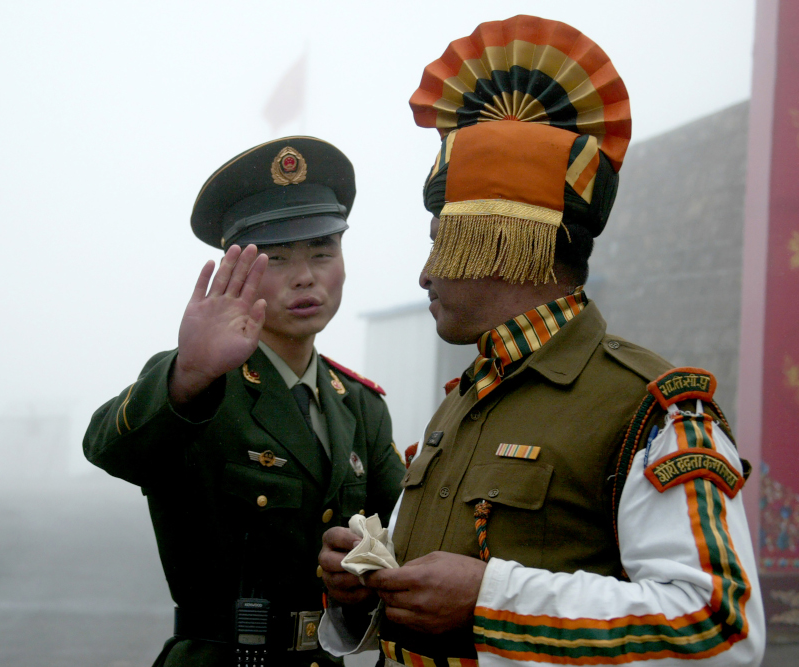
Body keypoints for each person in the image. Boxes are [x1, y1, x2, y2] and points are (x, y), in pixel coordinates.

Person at [318, 15, 765, 667]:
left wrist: (493, 600)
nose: (424, 273)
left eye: (440, 238)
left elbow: (722, 628)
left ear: (498, 236)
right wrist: (361, 597)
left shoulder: (650, 408)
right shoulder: (462, 403)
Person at [83, 136, 406, 667]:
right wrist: (187, 373)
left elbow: (402, 529)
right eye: (278, 258)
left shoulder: (360, 406)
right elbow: (108, 448)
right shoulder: (201, 383)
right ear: (238, 273)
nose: (306, 276)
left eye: (323, 252)